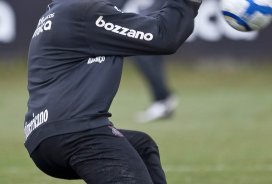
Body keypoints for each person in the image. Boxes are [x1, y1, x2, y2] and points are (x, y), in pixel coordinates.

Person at [24, 0, 201, 183]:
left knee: (141, 147)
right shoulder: (85, 11)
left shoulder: (62, 12)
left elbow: (147, 30)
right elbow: (162, 36)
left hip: (43, 137)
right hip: (78, 133)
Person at [117, 0, 178, 123]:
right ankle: (163, 98)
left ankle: (163, 99)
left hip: (157, 10)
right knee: (144, 53)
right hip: (146, 11)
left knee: (144, 53)